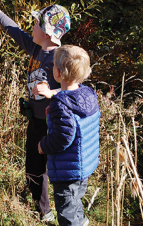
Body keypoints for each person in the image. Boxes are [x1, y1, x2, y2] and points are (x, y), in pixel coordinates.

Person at [0, 0, 71, 222]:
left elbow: (75, 89)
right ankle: (40, 207)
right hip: (36, 121)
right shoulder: (36, 49)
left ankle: (57, 212)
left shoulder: (60, 58)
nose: (32, 25)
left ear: (49, 32)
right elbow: (13, 30)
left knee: (54, 169)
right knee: (33, 166)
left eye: (37, 23)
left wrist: (51, 92)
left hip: (53, 123)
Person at [38, 45, 100, 226]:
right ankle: (81, 222)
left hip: (68, 169)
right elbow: (77, 122)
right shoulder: (87, 94)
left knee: (66, 212)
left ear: (58, 73)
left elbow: (64, 136)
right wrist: (55, 111)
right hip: (83, 165)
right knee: (75, 202)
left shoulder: (61, 103)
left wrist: (43, 145)